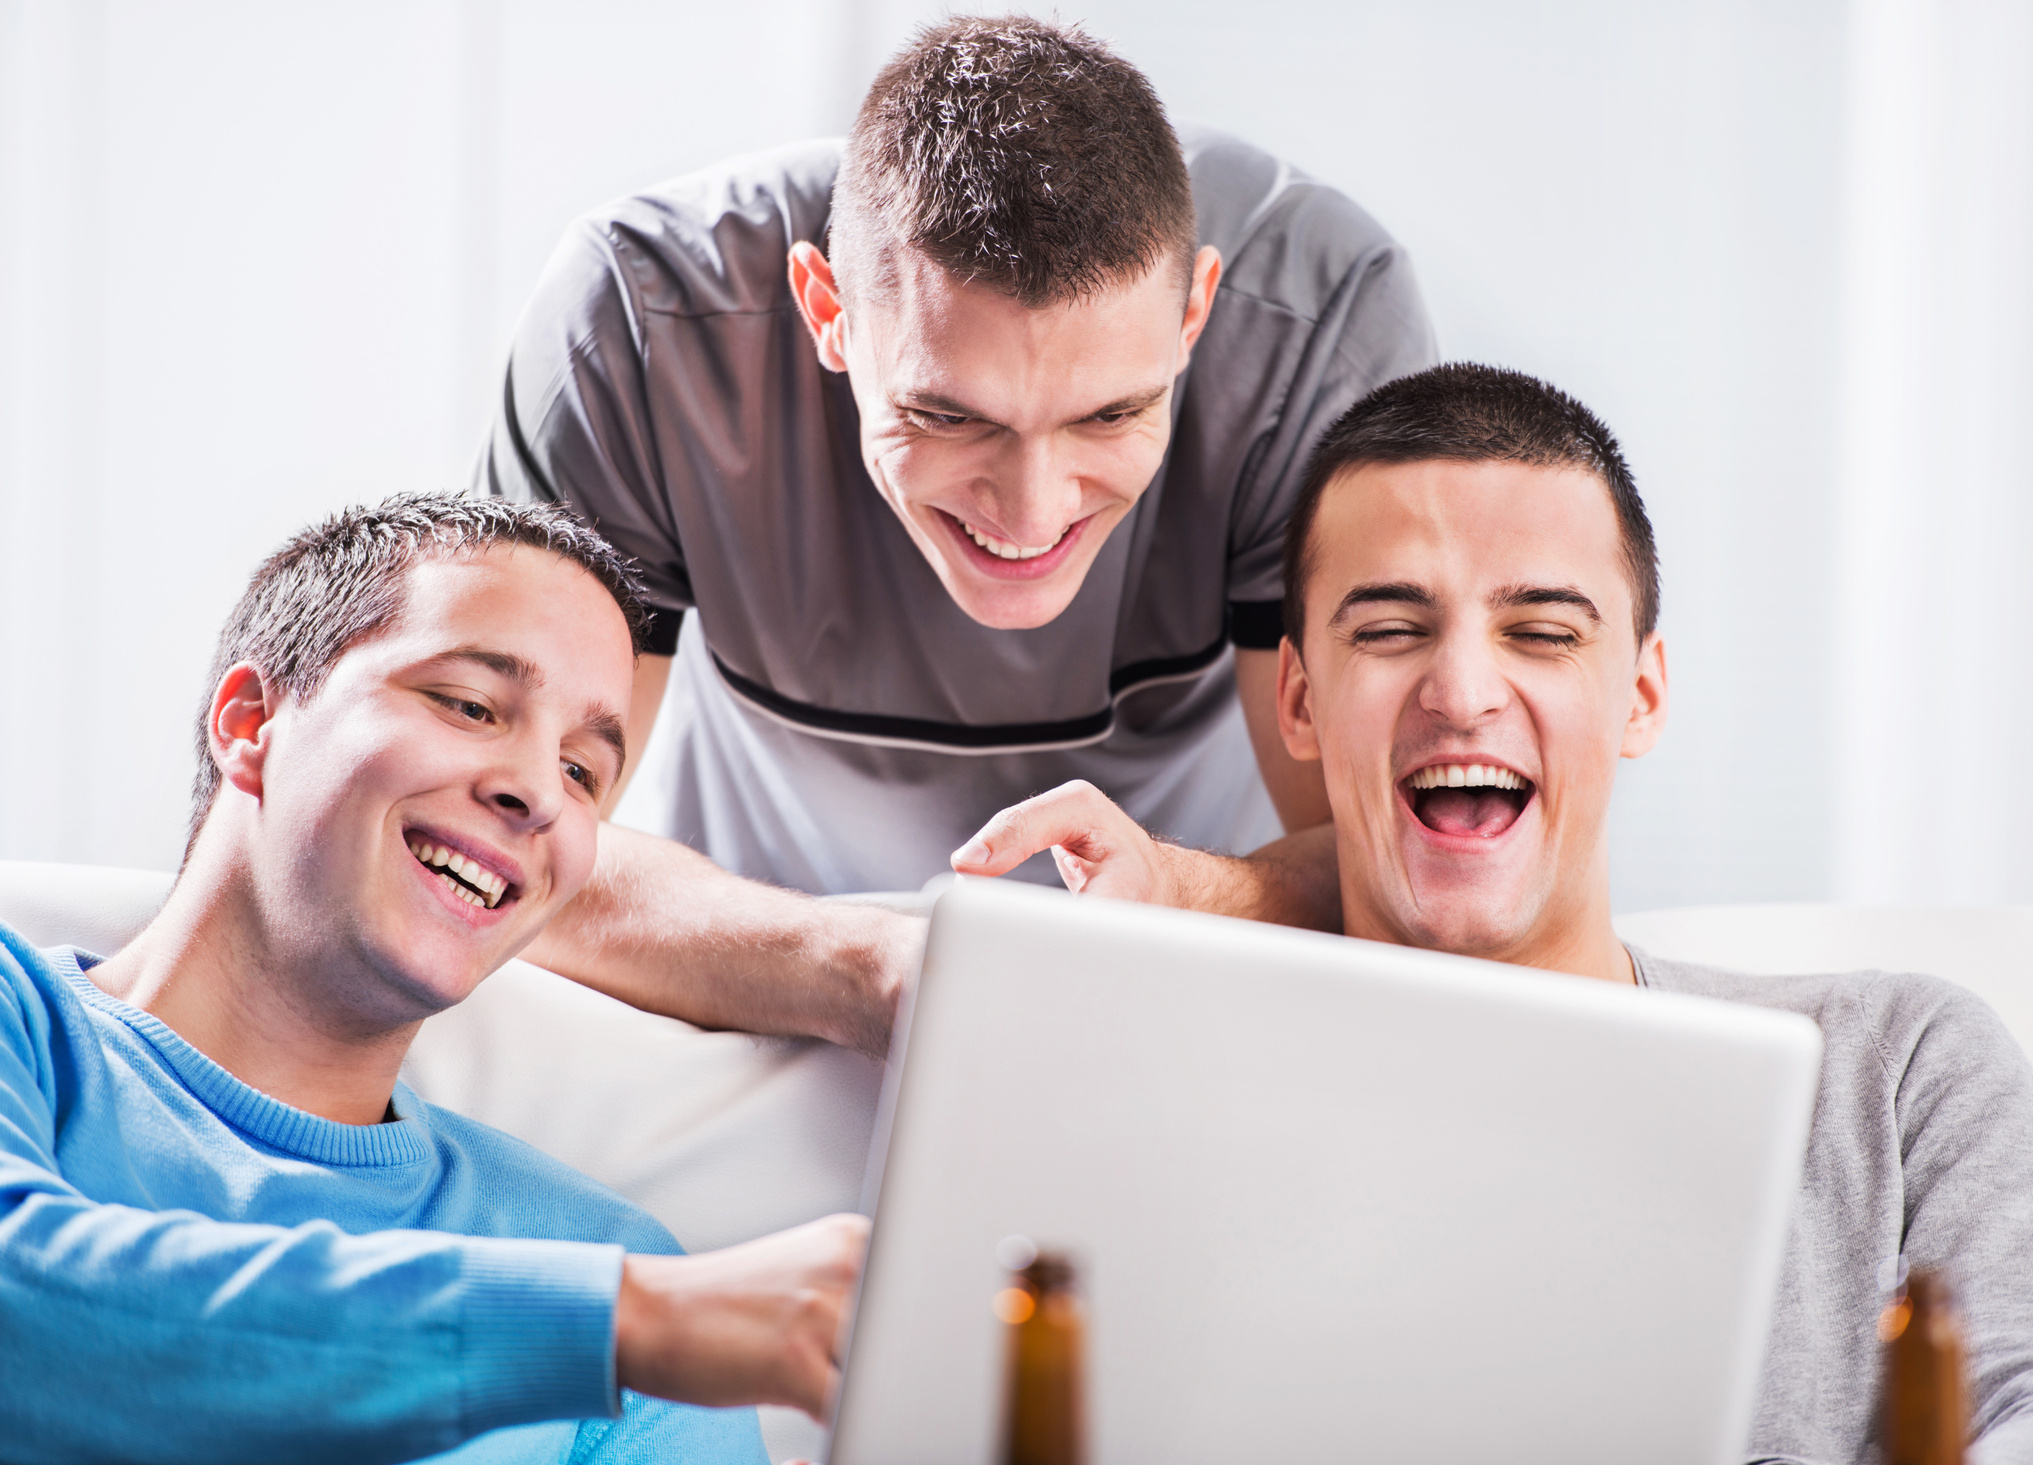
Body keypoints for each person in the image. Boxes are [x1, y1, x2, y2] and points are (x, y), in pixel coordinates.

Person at [960, 364, 2033, 1465]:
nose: (1464, 691)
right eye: (1390, 630)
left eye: (1542, 631)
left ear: (1641, 693)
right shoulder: (1153, 1104)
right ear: (1297, 698)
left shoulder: (1896, 1066)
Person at [478, 15, 1434, 1055]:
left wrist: (1178, 892)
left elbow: (1406, 868)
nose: (1030, 513)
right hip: (732, 980)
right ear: (827, 308)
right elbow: (502, 835)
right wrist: (882, 969)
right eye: (948, 415)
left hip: (1188, 975)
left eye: (1110, 415)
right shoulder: (633, 321)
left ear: (1194, 316)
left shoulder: (1321, 321)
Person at [0, 495, 866, 1465]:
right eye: (470, 705)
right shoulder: (634, 1309)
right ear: (250, 721)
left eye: (584, 772)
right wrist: (616, 1325)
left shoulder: (612, 1253)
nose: (538, 793)